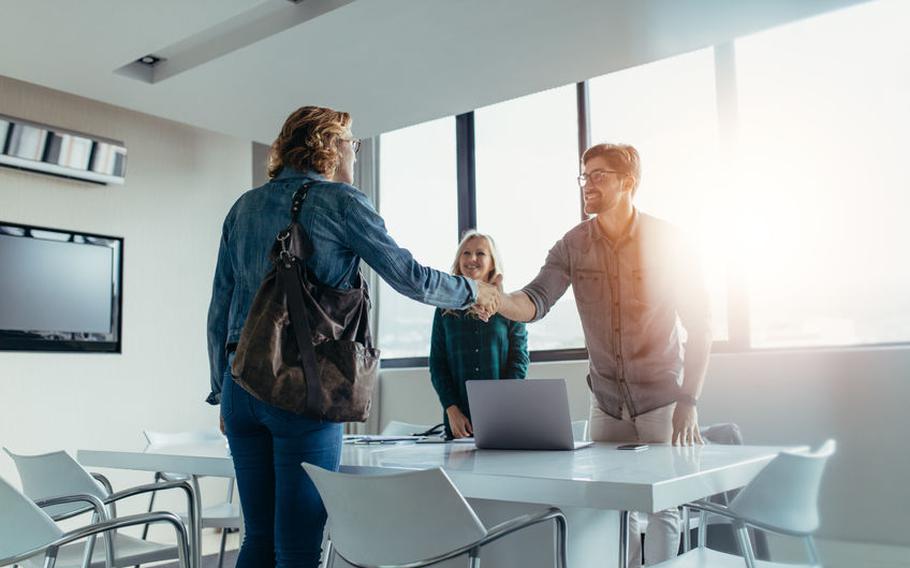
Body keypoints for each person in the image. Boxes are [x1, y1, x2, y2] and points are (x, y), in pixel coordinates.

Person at [206, 105, 500, 568]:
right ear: (329, 145)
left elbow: (219, 306)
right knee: (298, 548)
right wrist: (474, 291)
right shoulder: (342, 202)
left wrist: (220, 388)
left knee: (257, 539)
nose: (355, 152)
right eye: (353, 142)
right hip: (301, 388)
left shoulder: (243, 207)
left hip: (240, 386)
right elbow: (410, 277)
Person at [488, 143, 712, 566]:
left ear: (628, 183)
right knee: (613, 510)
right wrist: (496, 300)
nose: (586, 184)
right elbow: (536, 300)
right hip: (606, 403)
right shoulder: (572, 245)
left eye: (597, 175)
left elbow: (700, 325)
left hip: (662, 400)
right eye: (584, 176)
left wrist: (689, 400)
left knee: (664, 507)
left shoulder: (668, 241)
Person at [430, 231, 529, 439]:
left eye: (480, 253)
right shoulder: (444, 311)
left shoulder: (511, 308)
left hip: (502, 418)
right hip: (459, 425)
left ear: (493, 263)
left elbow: (519, 361)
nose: (472, 259)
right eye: (466, 253)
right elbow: (437, 365)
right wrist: (452, 410)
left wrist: (501, 406)